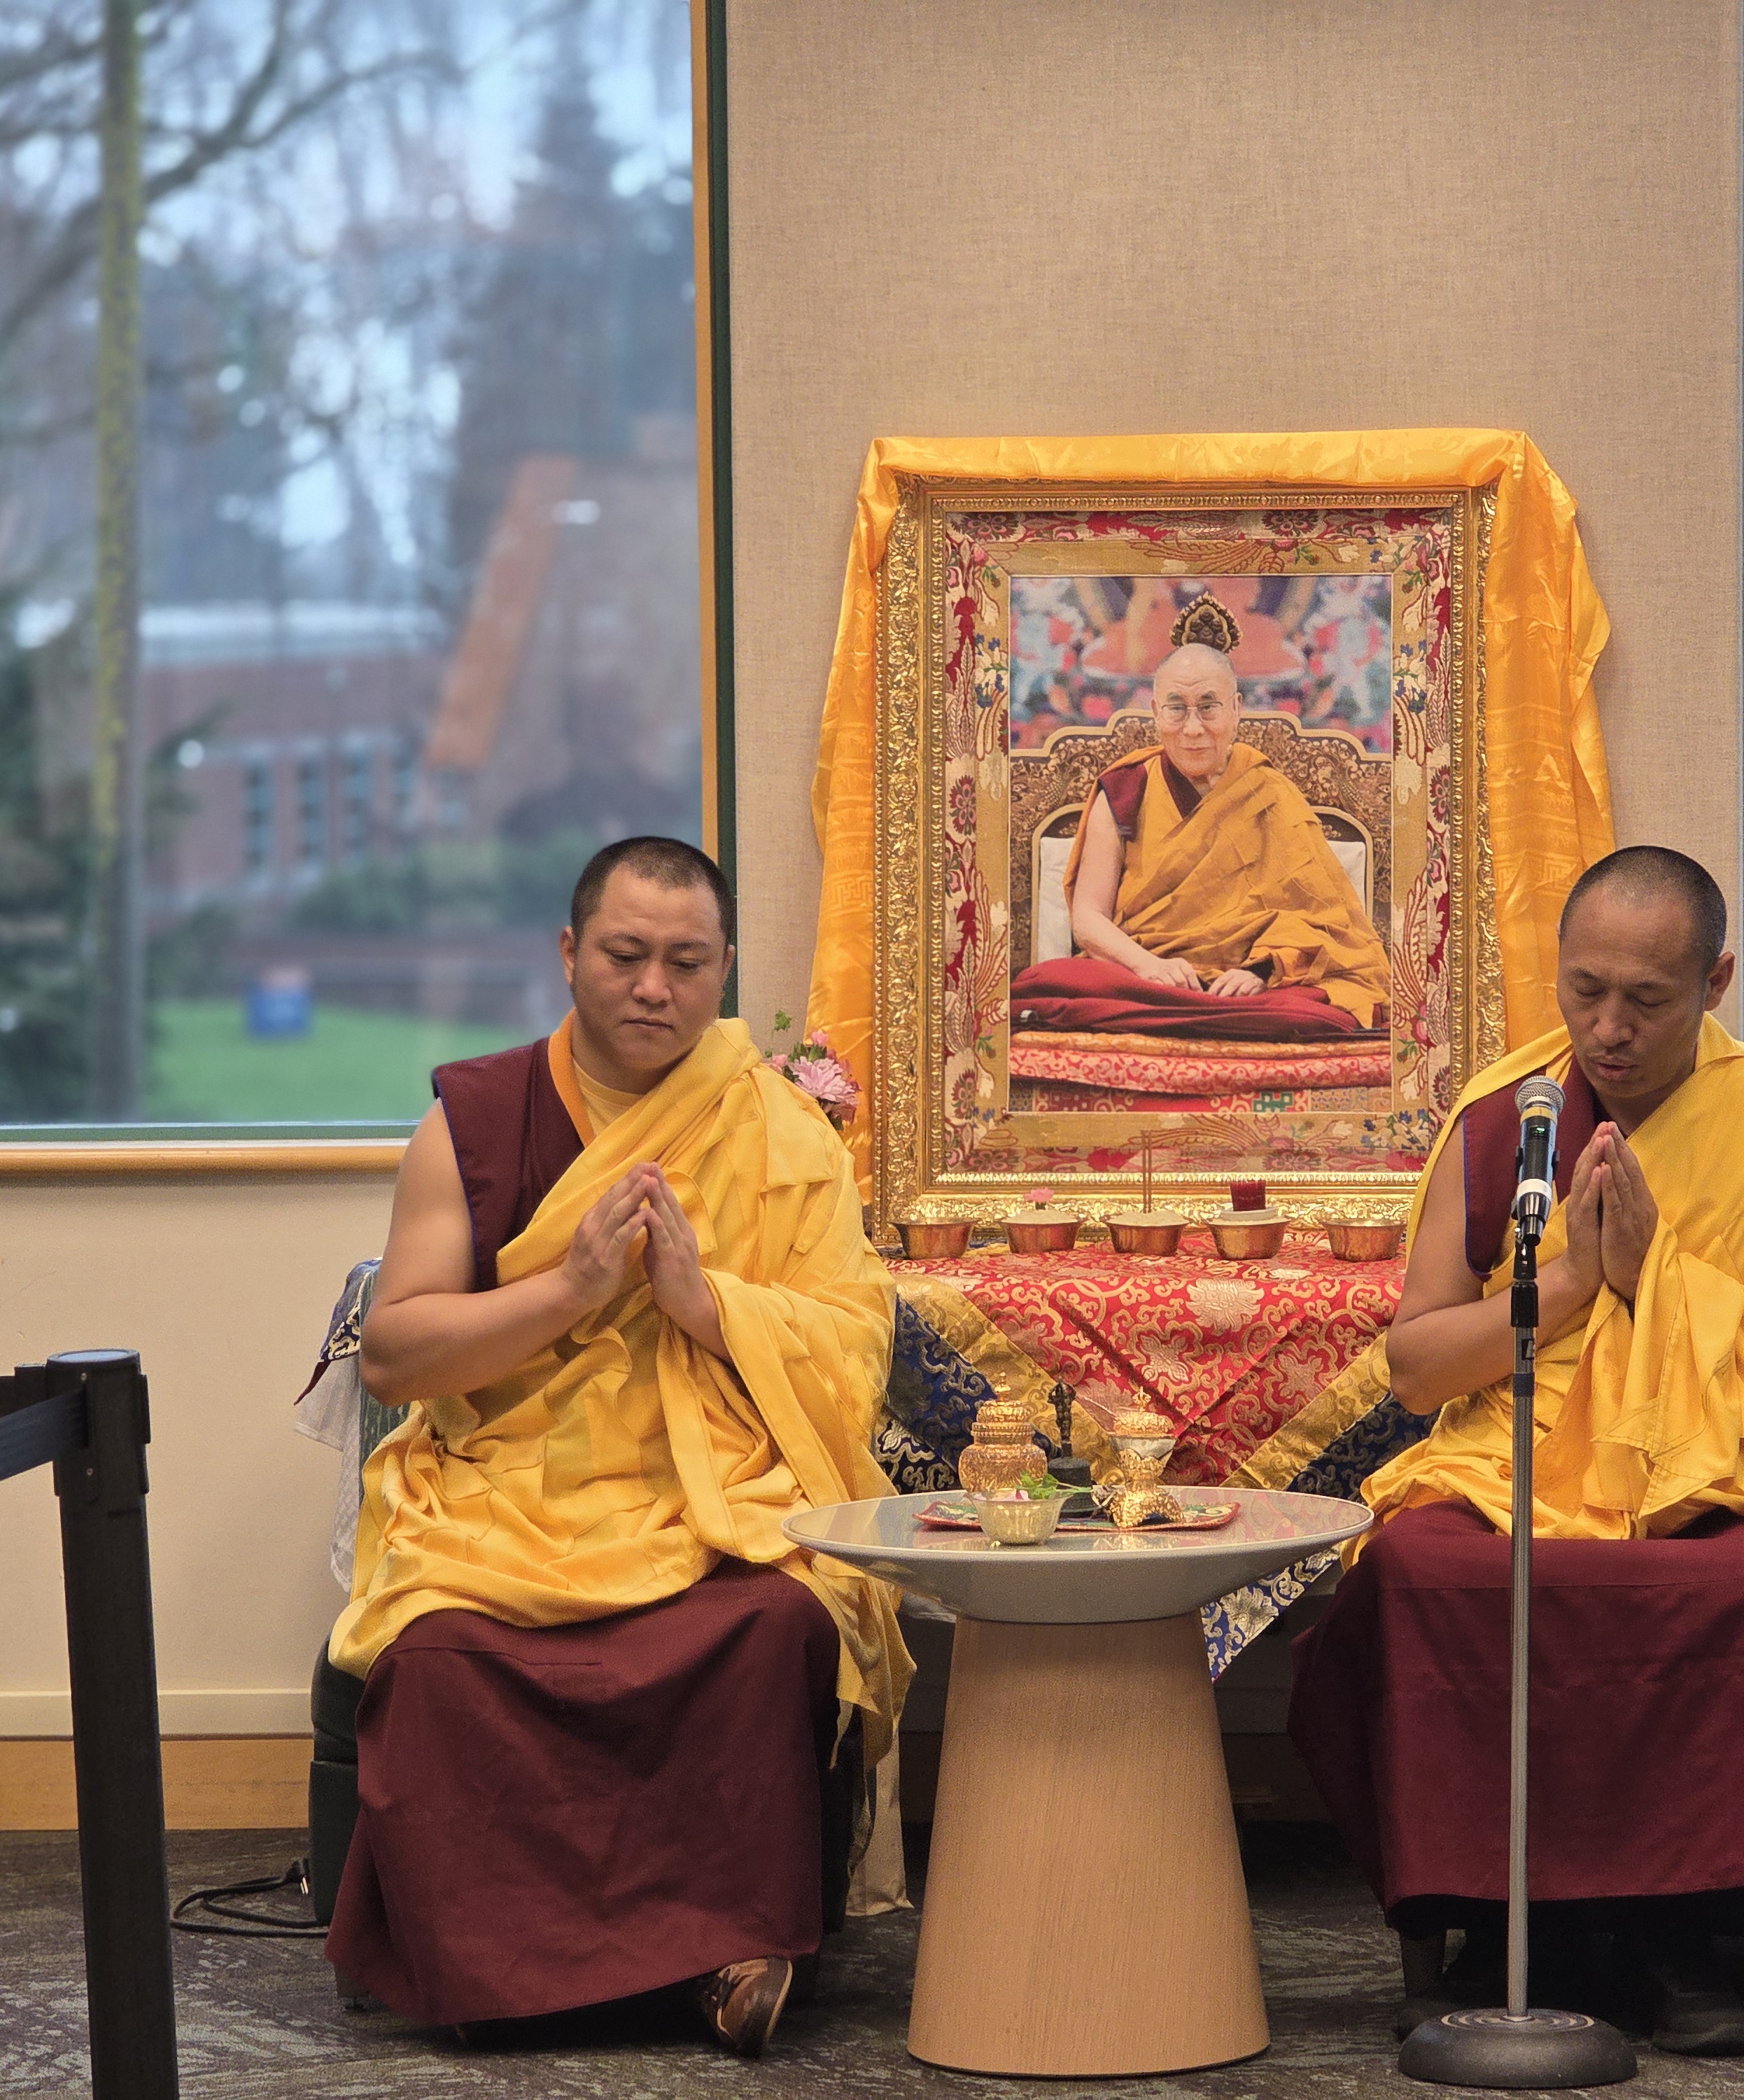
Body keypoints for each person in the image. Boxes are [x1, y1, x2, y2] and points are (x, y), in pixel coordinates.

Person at [1288, 845, 1744, 2057]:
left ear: (1715, 983)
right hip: (1525, 1461)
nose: (1607, 1030)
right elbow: (1417, 1368)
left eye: (1648, 1001)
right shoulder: (1509, 1117)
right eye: (1584, 991)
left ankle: (1682, 1934)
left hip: (1723, 1473)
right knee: (1415, 1575)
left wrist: (1665, 1277)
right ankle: (1497, 1923)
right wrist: (1571, 1280)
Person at [323, 836, 908, 2058]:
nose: (656, 988)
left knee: (780, 1628)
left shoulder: (782, 1129)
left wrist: (710, 1306)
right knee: (436, 1658)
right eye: (628, 956)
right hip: (512, 1493)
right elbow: (397, 1355)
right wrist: (571, 1289)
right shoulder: (476, 1120)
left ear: (727, 967)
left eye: (688, 963)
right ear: (570, 955)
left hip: (703, 1493)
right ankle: (491, 1969)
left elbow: (856, 1348)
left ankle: (731, 1951)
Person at [1007, 594, 1390, 1041]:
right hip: (1147, 977)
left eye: (1208, 707)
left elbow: (1325, 921)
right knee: (1054, 982)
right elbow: (1089, 917)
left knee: (1319, 1009)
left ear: (1236, 710)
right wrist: (1150, 966)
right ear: (1155, 712)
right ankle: (1201, 1011)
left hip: (1244, 989)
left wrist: (1265, 973)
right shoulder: (1125, 788)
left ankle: (1224, 1009)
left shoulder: (1269, 793)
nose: (1193, 728)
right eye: (1177, 708)